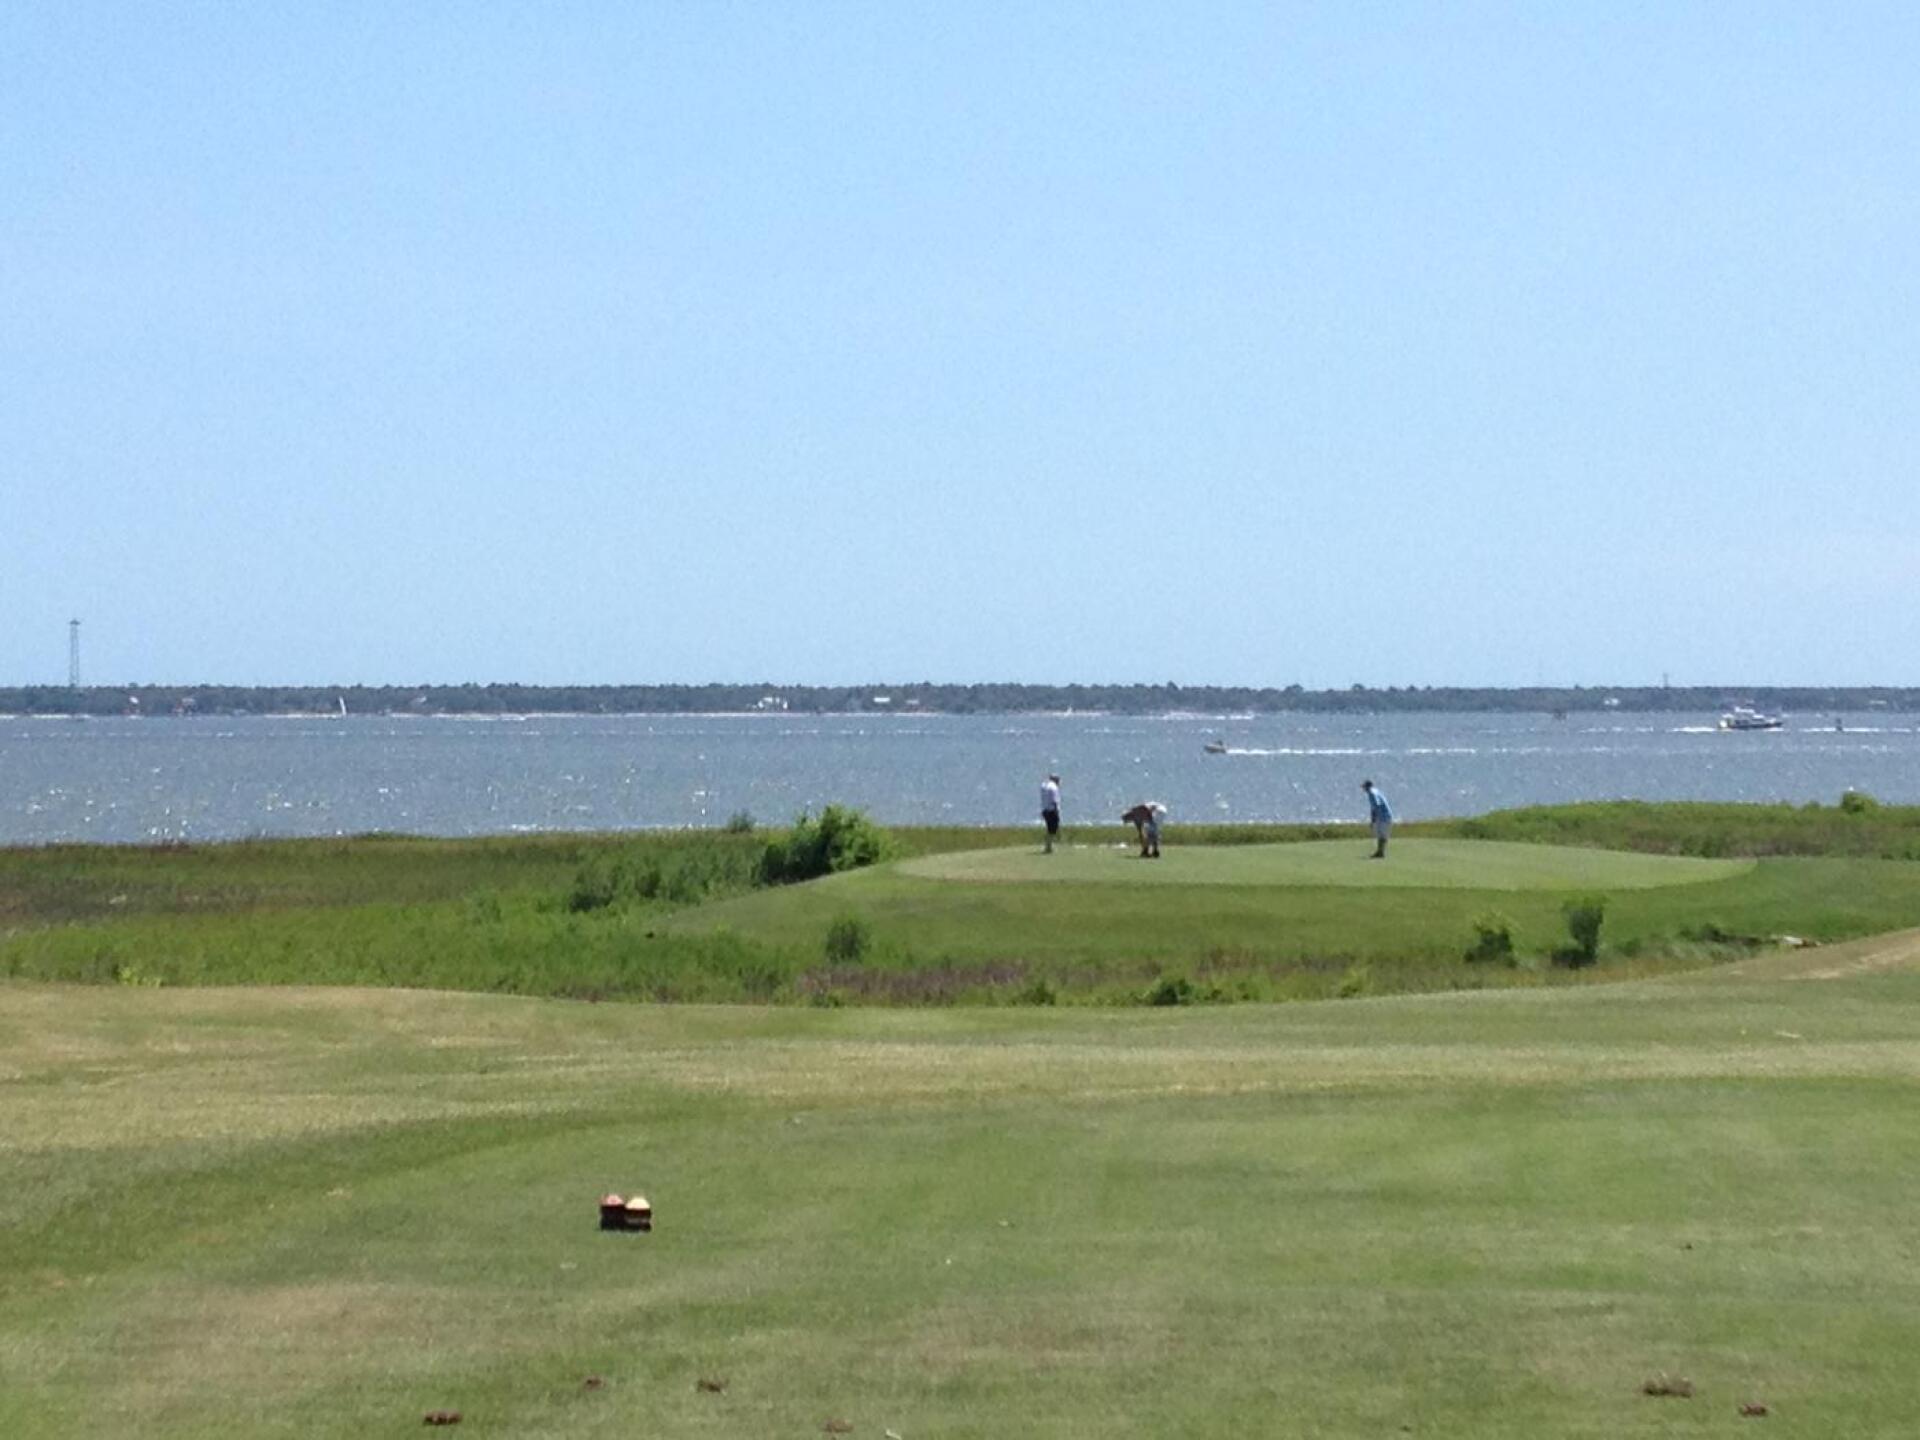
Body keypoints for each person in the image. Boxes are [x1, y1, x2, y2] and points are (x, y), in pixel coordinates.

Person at [1361, 779, 1393, 859]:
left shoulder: (1371, 793)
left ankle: (1380, 852)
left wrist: (1373, 820)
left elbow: (1375, 806)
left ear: (1367, 787)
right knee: (1381, 835)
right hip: (1385, 816)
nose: (1363, 789)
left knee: (1382, 834)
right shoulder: (1376, 791)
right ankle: (1380, 852)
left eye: (1364, 787)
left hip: (1383, 816)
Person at [1040, 773, 1062, 853]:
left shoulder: (1044, 785)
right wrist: (1057, 811)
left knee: (1049, 829)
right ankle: (1048, 847)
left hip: (1045, 810)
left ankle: (1048, 846)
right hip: (1052, 810)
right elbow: (1054, 800)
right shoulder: (1054, 787)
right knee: (1052, 830)